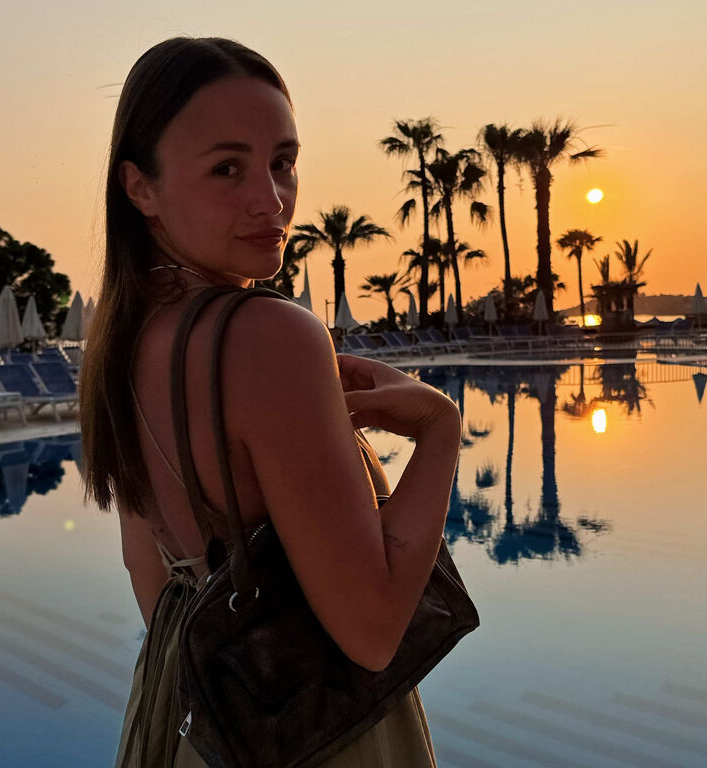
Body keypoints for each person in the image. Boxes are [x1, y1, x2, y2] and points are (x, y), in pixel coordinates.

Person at [79, 37, 461, 768]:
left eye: (282, 162)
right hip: (316, 741)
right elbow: (372, 632)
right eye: (227, 168)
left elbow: (151, 578)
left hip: (187, 726)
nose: (271, 199)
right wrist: (440, 428)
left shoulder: (122, 345)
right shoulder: (269, 337)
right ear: (140, 188)